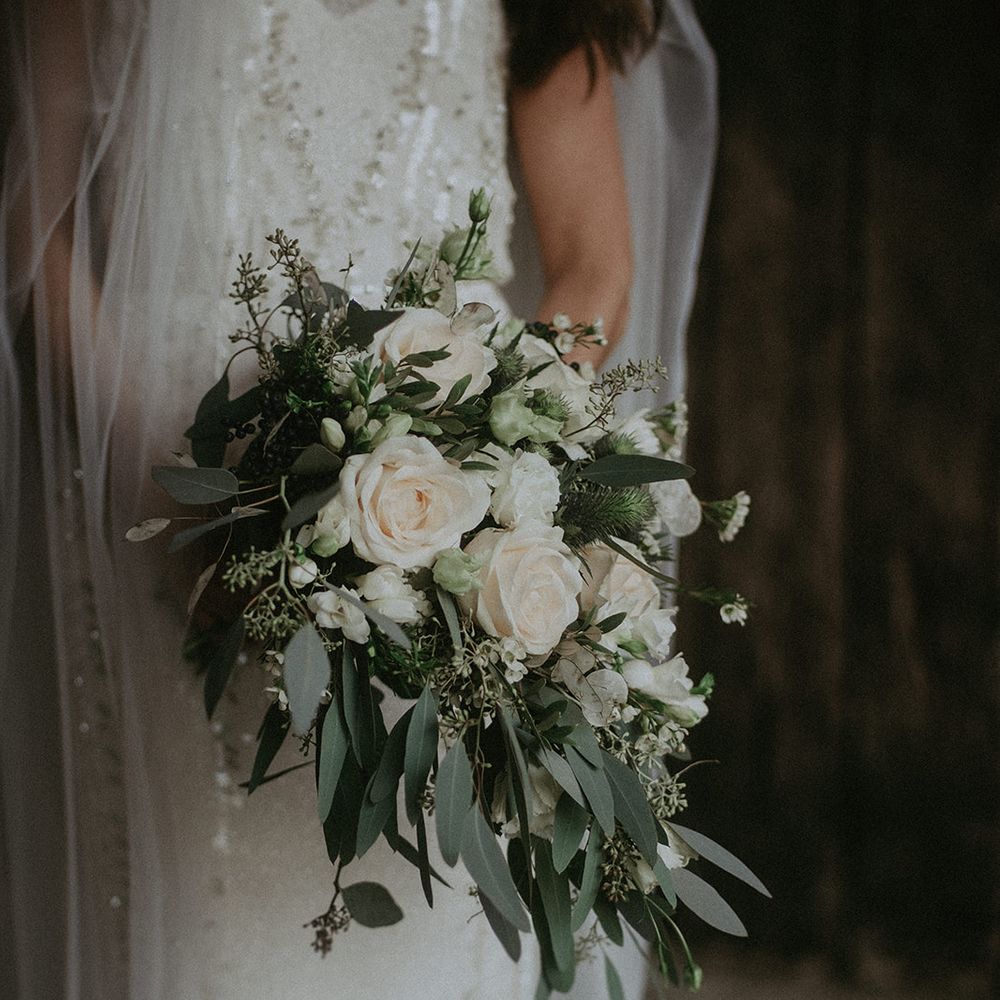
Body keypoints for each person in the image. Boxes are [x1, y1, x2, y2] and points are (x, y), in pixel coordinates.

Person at [0, 1, 716, 997]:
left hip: (443, 516)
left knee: (428, 901)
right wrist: (164, 477)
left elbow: (594, 257)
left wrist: (489, 444)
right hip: (160, 478)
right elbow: (36, 229)